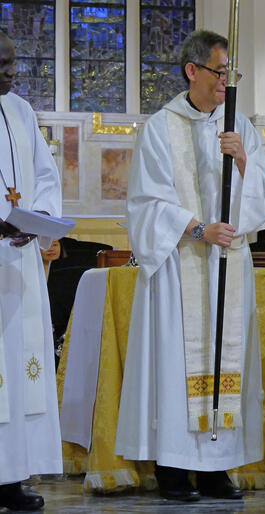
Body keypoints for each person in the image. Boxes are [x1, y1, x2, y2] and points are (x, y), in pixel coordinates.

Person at [115, 30, 265, 501]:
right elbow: (146, 202)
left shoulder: (240, 126)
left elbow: (263, 196)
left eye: (230, 73)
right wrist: (199, 228)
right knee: (175, 363)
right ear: (192, 71)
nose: (226, 81)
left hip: (228, 264)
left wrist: (243, 160)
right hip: (180, 264)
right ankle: (172, 468)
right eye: (219, 72)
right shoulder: (161, 128)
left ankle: (215, 469)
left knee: (228, 362)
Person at [0, 30, 63, 512]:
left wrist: (37, 219)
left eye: (13, 62)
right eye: (3, 64)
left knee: (20, 371)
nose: (12, 72)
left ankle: (10, 476)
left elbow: (45, 175)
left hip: (17, 259)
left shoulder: (20, 110)